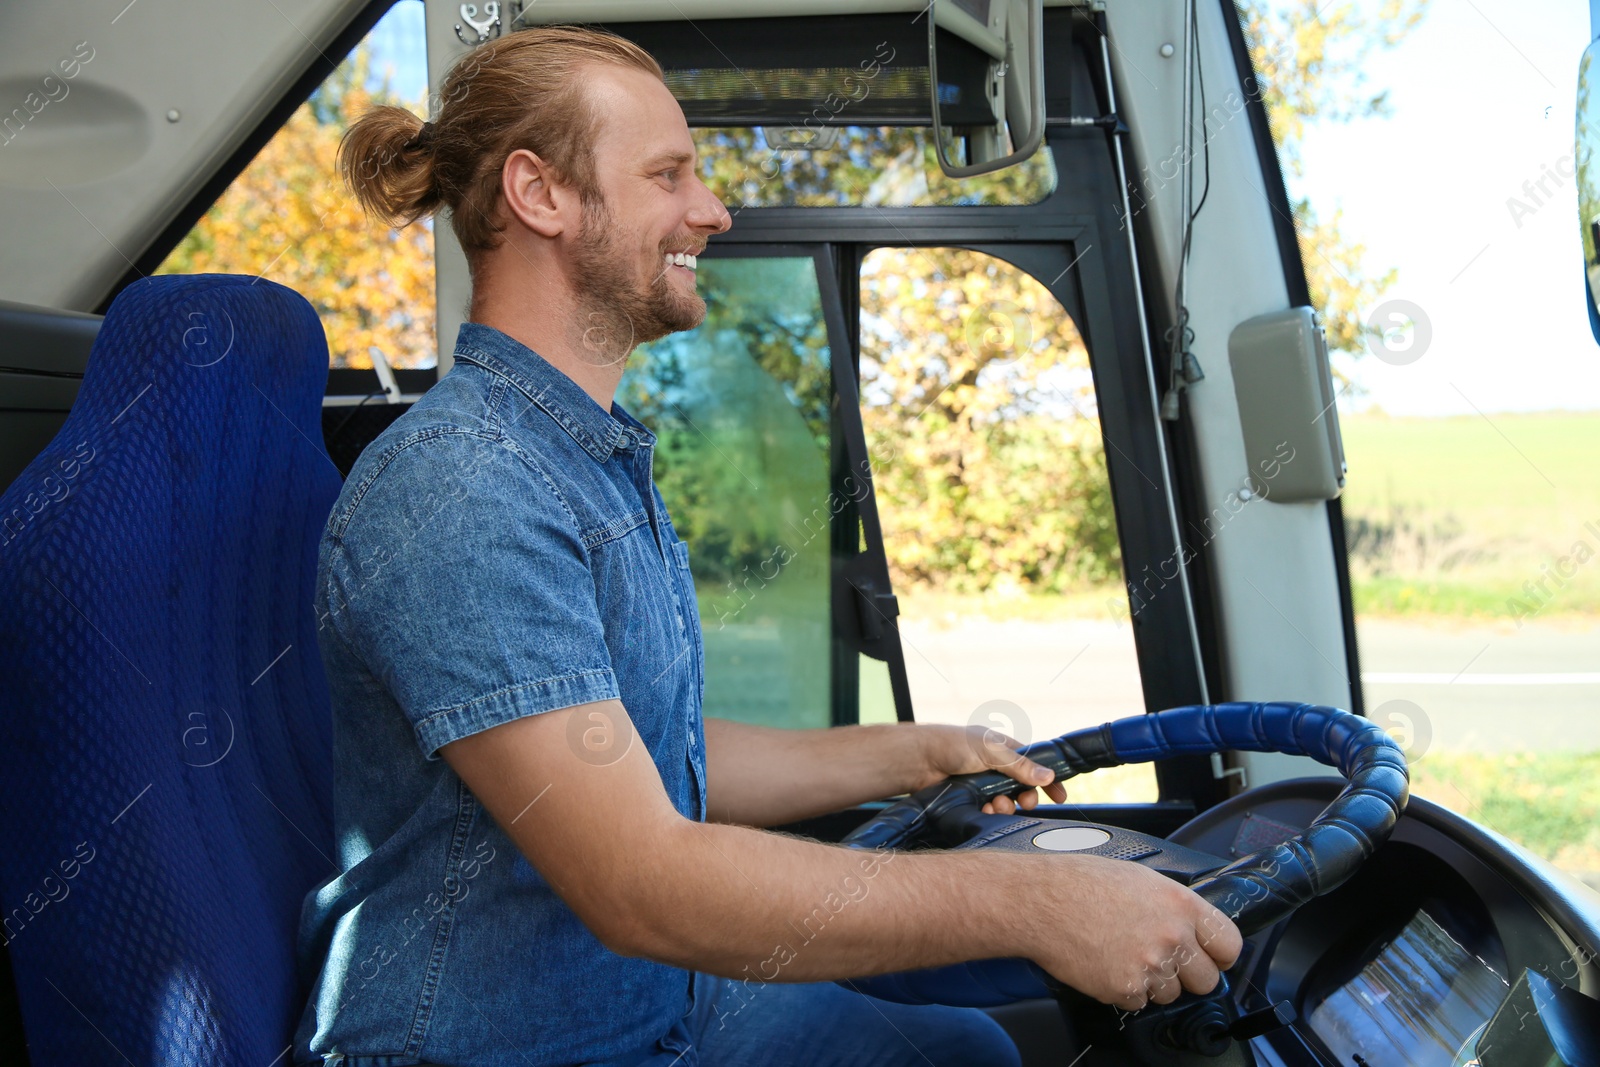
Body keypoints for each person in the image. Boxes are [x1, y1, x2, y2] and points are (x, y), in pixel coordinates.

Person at [291, 24, 1241, 1067]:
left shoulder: (575, 457)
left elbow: (654, 750)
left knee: (968, 1052)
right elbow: (644, 881)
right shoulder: (463, 484)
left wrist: (915, 752)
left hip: (649, 1004)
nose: (713, 209)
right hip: (504, 1046)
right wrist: (1032, 900)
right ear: (541, 194)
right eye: (668, 174)